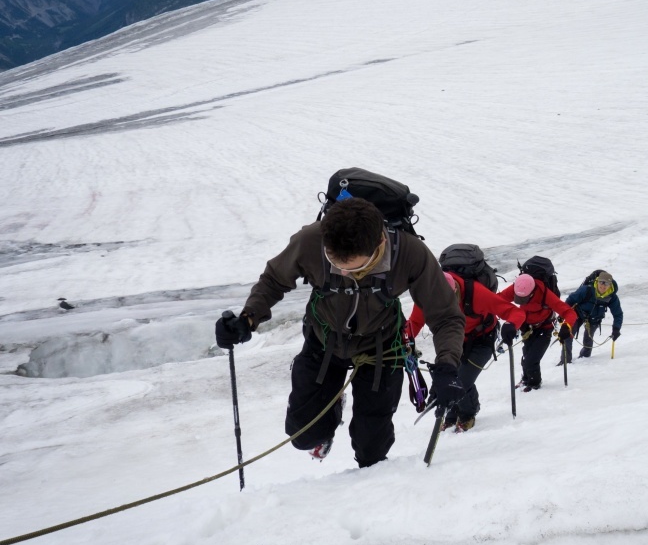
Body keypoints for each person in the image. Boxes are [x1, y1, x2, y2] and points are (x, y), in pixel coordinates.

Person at [214, 197, 465, 467]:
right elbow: (275, 279)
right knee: (303, 435)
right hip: (324, 341)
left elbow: (445, 314)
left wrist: (448, 365)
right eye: (336, 263)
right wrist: (248, 318)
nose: (343, 271)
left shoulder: (410, 253)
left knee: (372, 451)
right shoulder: (311, 240)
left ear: (379, 244)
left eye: (354, 267)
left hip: (382, 347)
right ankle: (332, 408)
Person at [405, 270, 525, 432]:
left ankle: (468, 413)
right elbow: (414, 323)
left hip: (482, 338)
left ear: (456, 291)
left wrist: (511, 325)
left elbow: (515, 312)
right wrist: (402, 341)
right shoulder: (427, 297)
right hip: (452, 341)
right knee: (449, 378)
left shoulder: (476, 293)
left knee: (462, 380)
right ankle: (452, 416)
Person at [497, 273, 578, 392]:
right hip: (526, 327)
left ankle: (535, 383)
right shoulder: (517, 287)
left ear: (533, 292)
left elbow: (569, 313)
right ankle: (526, 379)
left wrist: (566, 326)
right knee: (526, 354)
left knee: (531, 359)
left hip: (544, 327)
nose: (522, 302)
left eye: (524, 299)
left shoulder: (545, 294)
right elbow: (496, 300)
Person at [561, 270, 623, 362]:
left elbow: (618, 314)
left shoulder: (612, 297)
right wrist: (564, 313)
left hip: (595, 318)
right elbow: (570, 300)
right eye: (601, 283)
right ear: (597, 282)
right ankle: (565, 360)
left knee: (588, 338)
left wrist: (616, 329)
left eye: (606, 284)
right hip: (578, 314)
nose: (603, 286)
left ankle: (585, 359)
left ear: (610, 285)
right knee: (568, 334)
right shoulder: (586, 290)